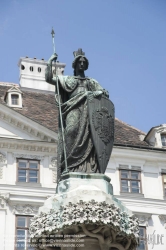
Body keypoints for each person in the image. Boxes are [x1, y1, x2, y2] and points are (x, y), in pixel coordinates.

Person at [45, 48, 109, 182]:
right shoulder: (67, 80)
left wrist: (99, 93)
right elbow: (50, 78)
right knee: (70, 132)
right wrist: (50, 62)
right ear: (74, 65)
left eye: (83, 62)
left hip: (88, 112)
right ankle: (67, 164)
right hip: (73, 109)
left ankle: (88, 168)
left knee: (89, 139)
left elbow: (103, 93)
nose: (81, 64)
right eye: (79, 62)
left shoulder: (91, 82)